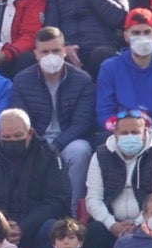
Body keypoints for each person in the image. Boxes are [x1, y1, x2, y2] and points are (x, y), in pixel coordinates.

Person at [8, 27, 96, 207]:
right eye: (45, 51)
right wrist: (40, 145)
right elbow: (21, 120)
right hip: (34, 141)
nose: (51, 55)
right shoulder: (21, 80)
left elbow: (82, 123)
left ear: (65, 51)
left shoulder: (82, 80)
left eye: (55, 50)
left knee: (81, 150)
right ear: (36, 54)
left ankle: (71, 212)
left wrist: (55, 145)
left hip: (67, 140)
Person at [0, 108, 71, 248]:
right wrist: (1, 225)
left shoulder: (49, 155)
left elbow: (57, 200)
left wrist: (23, 227)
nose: (13, 140)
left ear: (30, 134)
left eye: (18, 136)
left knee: (53, 229)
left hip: (36, 228)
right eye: (7, 137)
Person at [84, 110, 152, 248]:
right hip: (112, 224)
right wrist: (111, 224)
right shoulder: (101, 154)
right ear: (115, 134)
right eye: (124, 133)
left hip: (149, 220)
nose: (129, 136)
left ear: (144, 132)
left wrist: (137, 224)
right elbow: (93, 199)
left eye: (135, 132)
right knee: (93, 232)